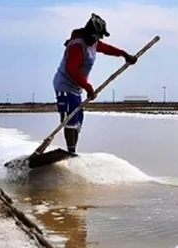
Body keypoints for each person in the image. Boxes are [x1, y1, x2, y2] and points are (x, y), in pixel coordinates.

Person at [53, 13, 137, 156]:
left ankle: (72, 152)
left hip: (77, 88)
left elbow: (108, 49)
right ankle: (71, 152)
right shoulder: (77, 45)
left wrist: (124, 54)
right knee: (69, 120)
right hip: (65, 85)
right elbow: (72, 70)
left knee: (78, 121)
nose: (98, 39)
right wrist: (88, 87)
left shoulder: (94, 43)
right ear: (90, 33)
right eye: (97, 35)